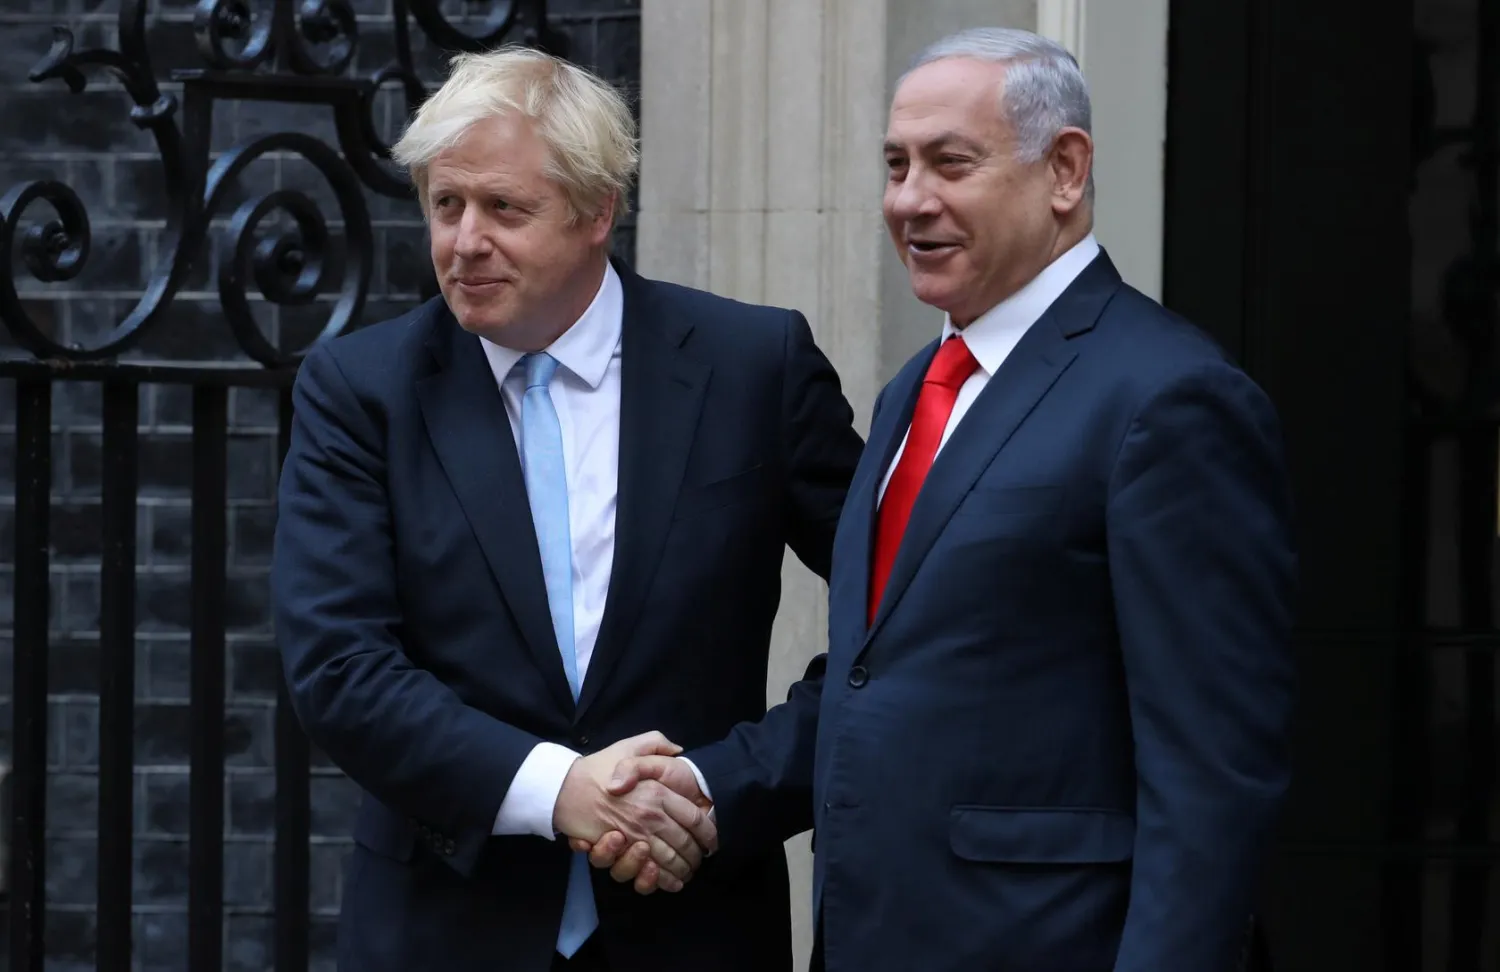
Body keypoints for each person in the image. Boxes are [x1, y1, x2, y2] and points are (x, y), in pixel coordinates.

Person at [580, 27, 1298, 972]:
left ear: (1065, 170)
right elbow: (883, 675)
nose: (910, 199)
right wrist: (709, 790)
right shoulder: (914, 391)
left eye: (950, 163)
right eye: (896, 165)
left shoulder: (1169, 397)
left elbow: (1212, 774)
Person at [270, 46, 863, 972]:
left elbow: (902, 615)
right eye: (446, 205)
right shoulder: (360, 390)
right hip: (446, 929)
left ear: (598, 212)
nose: (466, 241)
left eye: (504, 208)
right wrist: (561, 789)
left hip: (696, 924)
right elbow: (339, 665)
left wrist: (727, 785)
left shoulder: (753, 367)